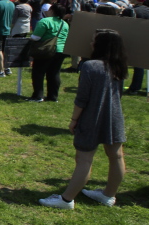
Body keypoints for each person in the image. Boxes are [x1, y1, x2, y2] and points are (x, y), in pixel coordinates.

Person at [38, 29, 127, 209]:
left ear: (101, 45)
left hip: (92, 117)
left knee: (84, 160)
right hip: (114, 116)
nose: (90, 43)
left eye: (94, 40)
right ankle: (109, 195)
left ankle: (66, 199)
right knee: (116, 156)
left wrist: (73, 119)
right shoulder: (119, 65)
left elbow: (82, 98)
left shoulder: (90, 66)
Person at [26, 2, 70, 103]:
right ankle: (53, 96)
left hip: (46, 50)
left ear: (52, 11)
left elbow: (36, 37)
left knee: (38, 73)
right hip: (61, 50)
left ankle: (38, 95)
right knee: (54, 73)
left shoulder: (44, 21)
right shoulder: (65, 24)